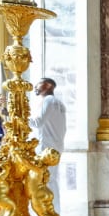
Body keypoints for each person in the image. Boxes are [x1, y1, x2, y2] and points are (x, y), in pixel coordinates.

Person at [30, 78, 67, 208]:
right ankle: (52, 212)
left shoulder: (48, 101)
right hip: (55, 145)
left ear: (48, 85)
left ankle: (52, 213)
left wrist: (19, 117)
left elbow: (37, 123)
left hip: (46, 146)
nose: (35, 87)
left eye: (38, 84)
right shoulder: (58, 103)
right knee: (50, 179)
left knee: (47, 180)